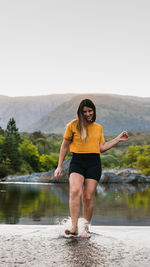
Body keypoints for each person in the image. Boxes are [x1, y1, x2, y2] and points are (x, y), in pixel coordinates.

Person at [54, 99, 128, 238]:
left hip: (94, 163)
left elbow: (101, 148)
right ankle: (75, 227)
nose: (88, 114)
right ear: (80, 113)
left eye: (90, 111)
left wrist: (117, 139)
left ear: (94, 111)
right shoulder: (72, 126)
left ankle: (85, 229)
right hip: (77, 162)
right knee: (75, 190)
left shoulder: (98, 127)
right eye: (85, 112)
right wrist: (59, 166)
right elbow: (64, 146)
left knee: (88, 197)